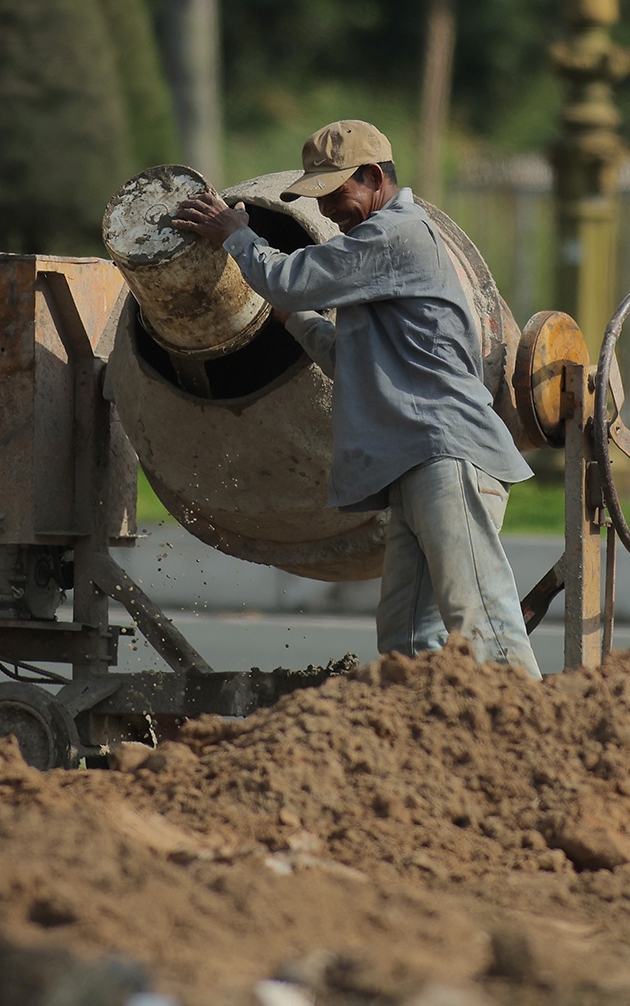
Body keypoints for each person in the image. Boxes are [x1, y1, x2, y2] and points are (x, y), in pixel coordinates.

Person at [174, 120, 542, 678]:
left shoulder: (398, 234)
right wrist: (285, 313)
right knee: (407, 641)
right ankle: (410, 748)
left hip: (447, 454)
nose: (326, 213)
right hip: (415, 466)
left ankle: (529, 740)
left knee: (483, 623)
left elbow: (292, 280)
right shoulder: (378, 259)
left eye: (334, 194)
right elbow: (347, 361)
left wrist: (237, 236)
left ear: (373, 177)